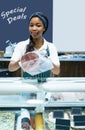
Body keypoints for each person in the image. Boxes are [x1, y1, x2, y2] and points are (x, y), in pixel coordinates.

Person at [8, 12, 60, 79]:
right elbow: (11, 68)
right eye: (31, 25)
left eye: (38, 25)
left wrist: (45, 61)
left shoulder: (50, 47)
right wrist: (23, 60)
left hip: (46, 86)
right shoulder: (21, 45)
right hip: (27, 86)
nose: (34, 28)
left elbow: (57, 71)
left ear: (44, 28)